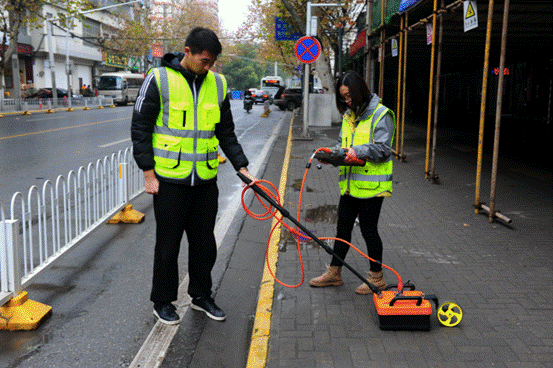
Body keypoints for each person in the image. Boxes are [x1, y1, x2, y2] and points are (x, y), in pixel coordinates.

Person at [131, 27, 255, 324]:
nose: (208, 66)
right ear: (187, 51)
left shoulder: (218, 84)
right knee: (168, 245)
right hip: (170, 181)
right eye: (204, 60)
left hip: (204, 180)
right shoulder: (158, 79)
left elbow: (226, 132)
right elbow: (140, 129)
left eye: (212, 62)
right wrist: (148, 173)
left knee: (204, 244)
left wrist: (242, 166)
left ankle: (201, 296)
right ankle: (162, 301)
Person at [309, 70, 395, 295]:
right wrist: (333, 157)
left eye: (349, 96)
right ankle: (334, 272)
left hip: (372, 187)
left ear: (359, 91)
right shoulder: (349, 115)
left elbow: (384, 150)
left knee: (369, 231)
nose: (347, 101)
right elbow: (343, 144)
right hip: (349, 185)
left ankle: (377, 278)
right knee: (342, 229)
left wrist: (356, 150)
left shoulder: (381, 114)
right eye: (343, 97)